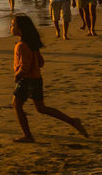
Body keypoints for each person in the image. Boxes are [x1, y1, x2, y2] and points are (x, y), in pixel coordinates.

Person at [9, 15, 87, 143]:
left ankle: (28, 135)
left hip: (26, 80)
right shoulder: (32, 44)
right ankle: (72, 121)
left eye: (13, 25)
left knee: (17, 106)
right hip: (37, 79)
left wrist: (17, 75)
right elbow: (41, 62)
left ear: (20, 30)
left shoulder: (21, 46)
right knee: (41, 108)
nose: (11, 27)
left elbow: (25, 67)